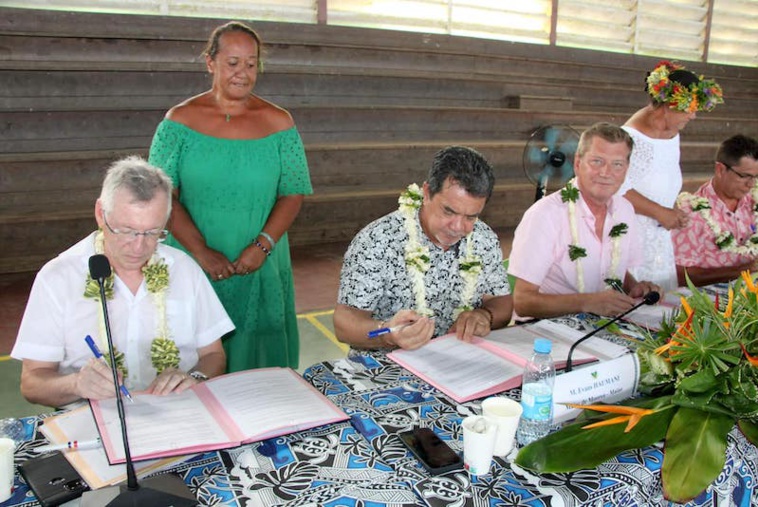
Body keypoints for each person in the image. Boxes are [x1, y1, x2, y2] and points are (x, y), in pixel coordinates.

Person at [148, 21, 312, 372]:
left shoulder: (280, 123)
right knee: (193, 358)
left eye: (251, 64)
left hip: (259, 261)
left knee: (260, 366)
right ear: (211, 62)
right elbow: (162, 196)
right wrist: (201, 252)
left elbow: (293, 192)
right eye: (233, 62)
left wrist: (263, 245)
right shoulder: (177, 123)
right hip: (194, 260)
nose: (243, 73)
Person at [12, 157, 234, 408]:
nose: (139, 247)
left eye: (153, 232)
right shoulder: (58, 277)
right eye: (126, 231)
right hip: (91, 421)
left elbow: (213, 355)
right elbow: (32, 383)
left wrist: (194, 377)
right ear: (100, 214)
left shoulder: (183, 269)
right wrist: (76, 384)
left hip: (176, 413)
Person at [334, 146, 512, 351]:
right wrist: (386, 333)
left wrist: (484, 316)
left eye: (470, 216)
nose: (458, 227)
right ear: (426, 193)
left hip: (458, 361)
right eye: (448, 211)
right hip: (385, 368)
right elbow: (344, 325)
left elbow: (501, 302)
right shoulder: (378, 240)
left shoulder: (483, 238)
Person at [508, 122, 660, 319]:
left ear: (626, 170)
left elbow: (613, 268)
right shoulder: (545, 214)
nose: (606, 173)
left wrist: (636, 287)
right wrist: (588, 302)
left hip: (601, 326)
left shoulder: (625, 210)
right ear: (577, 163)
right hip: (546, 331)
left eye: (617, 164)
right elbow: (523, 302)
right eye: (597, 161)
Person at [619, 60, 723, 291]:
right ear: (667, 105)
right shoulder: (630, 138)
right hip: (632, 232)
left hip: (659, 234)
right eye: (689, 108)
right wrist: (660, 212)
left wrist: (672, 209)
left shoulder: (672, 132)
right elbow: (616, 188)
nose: (693, 116)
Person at [673, 135, 758, 287]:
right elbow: (680, 275)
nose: (751, 184)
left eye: (756, 177)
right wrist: (743, 270)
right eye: (745, 176)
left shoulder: (755, 201)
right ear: (720, 169)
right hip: (711, 301)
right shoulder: (691, 213)